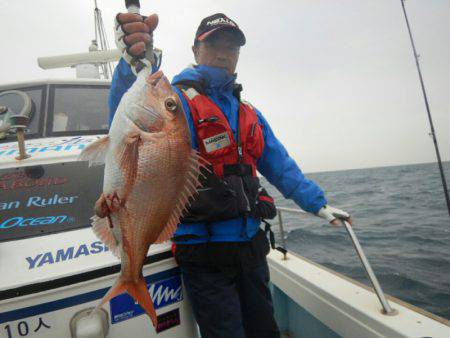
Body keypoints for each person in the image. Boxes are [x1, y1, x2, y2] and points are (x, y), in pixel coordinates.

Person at [104, 11, 352, 338]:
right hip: (204, 254)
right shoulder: (174, 102)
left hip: (251, 247)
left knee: (266, 331)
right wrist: (132, 61)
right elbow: (130, 120)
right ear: (195, 50)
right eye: (214, 45)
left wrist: (317, 204)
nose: (223, 54)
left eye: (231, 48)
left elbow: (280, 165)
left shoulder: (248, 111)